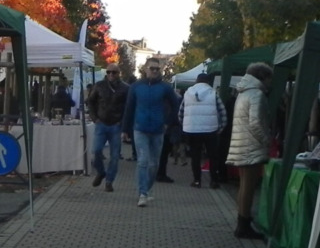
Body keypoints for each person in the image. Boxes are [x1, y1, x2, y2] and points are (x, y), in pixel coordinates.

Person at [120, 57, 178, 208]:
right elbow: (129, 108)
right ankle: (142, 193)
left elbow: (176, 104)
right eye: (151, 68)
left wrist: (167, 122)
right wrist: (125, 129)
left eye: (157, 69)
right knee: (143, 161)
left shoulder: (165, 87)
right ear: (145, 69)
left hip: (158, 130)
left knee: (154, 164)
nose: (154, 71)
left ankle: (147, 188)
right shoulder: (136, 87)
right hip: (140, 128)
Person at [227, 61, 274, 239]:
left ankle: (242, 221)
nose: (271, 83)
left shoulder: (243, 93)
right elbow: (255, 123)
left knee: (243, 185)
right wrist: (266, 140)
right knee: (249, 186)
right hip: (252, 146)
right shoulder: (257, 95)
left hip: (241, 143)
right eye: (270, 79)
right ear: (263, 77)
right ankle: (243, 224)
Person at [179, 72, 227, 188]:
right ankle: (214, 181)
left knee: (195, 156)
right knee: (213, 156)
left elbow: (180, 113)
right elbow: (223, 112)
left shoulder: (188, 94)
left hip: (192, 130)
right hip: (211, 130)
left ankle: (197, 180)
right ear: (208, 82)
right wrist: (220, 128)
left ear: (196, 81)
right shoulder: (213, 93)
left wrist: (186, 125)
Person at [85, 64, 128, 192]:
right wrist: (95, 118)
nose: (111, 75)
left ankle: (109, 181)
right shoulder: (99, 85)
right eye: (109, 72)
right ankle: (101, 172)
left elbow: (128, 107)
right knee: (96, 151)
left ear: (118, 73)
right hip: (101, 123)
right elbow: (90, 102)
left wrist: (122, 123)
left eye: (114, 72)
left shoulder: (125, 88)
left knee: (114, 156)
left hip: (116, 125)